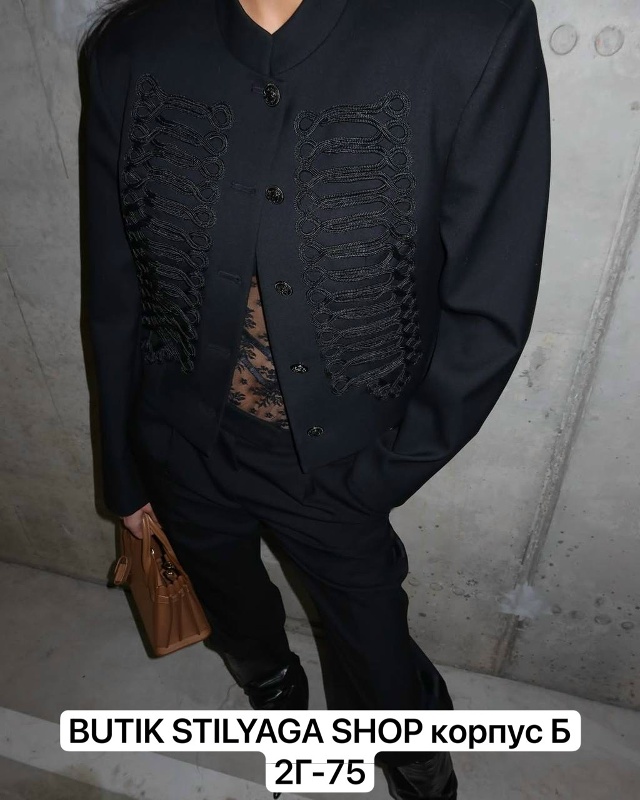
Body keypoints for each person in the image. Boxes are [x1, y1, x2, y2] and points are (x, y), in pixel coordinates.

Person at [80, 0, 551, 797]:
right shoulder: (133, 46)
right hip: (177, 437)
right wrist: (125, 477)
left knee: (377, 653)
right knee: (233, 611)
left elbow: (490, 302)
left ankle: (417, 766)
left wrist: (385, 472)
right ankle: (275, 697)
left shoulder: (468, 32)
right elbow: (114, 285)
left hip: (339, 463)